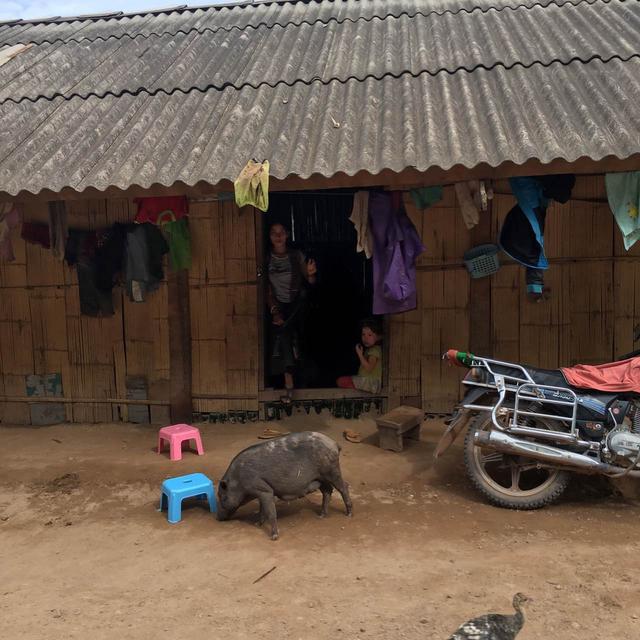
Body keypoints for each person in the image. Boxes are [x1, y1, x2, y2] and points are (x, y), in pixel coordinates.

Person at [266, 223, 317, 403]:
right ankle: (288, 386)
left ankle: (296, 384)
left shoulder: (296, 256)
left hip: (297, 306)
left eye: (281, 233)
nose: (278, 236)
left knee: (297, 342)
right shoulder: (266, 258)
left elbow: (310, 281)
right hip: (277, 305)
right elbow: (266, 288)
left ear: (287, 235)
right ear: (270, 236)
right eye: (274, 233)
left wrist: (311, 274)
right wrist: (275, 311)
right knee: (283, 340)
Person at [337, 318, 383, 394]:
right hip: (368, 382)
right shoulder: (372, 349)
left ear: (378, 337)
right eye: (363, 334)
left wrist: (359, 354)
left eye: (370, 335)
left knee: (340, 381)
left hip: (370, 383)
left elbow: (369, 368)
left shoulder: (374, 350)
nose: (366, 338)